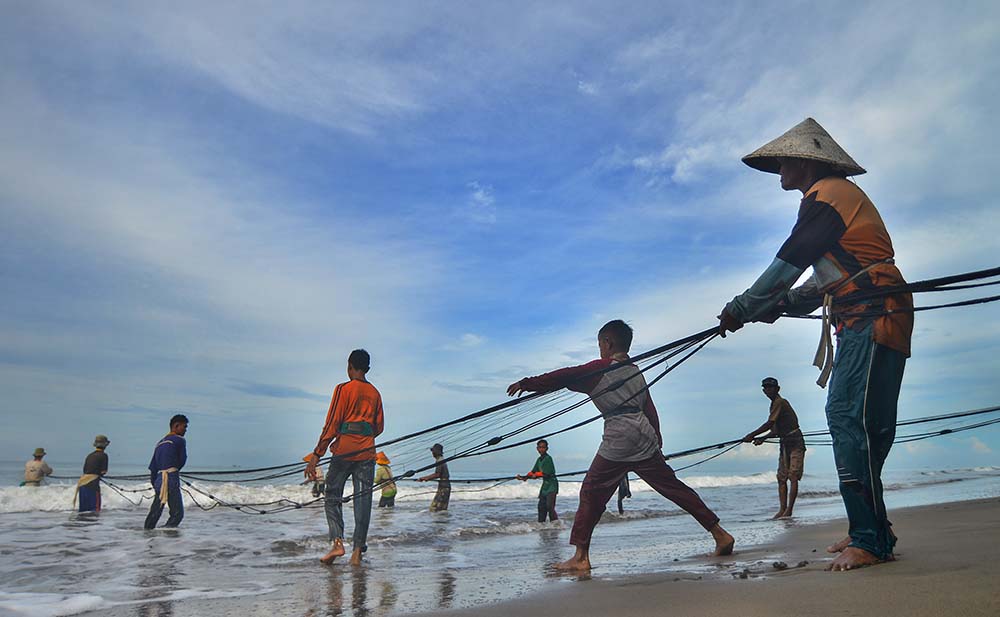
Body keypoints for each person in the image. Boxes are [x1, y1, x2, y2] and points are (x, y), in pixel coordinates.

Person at [718, 118, 913, 571]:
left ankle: (867, 537)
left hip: (871, 314)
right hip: (877, 310)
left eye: (784, 160)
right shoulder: (834, 199)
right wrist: (782, 302)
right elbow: (821, 280)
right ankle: (872, 528)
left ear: (805, 162)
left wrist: (743, 307)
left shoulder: (827, 194)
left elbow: (790, 259)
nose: (780, 168)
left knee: (846, 415)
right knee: (870, 425)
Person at [507, 319, 734, 571]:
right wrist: (656, 438)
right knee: (673, 487)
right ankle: (720, 534)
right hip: (644, 435)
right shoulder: (636, 371)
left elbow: (564, 375)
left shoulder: (600, 369)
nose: (599, 350)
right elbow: (650, 408)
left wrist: (527, 383)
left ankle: (581, 557)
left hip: (619, 436)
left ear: (607, 342)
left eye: (600, 344)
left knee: (592, 491)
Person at [304, 349, 385, 566]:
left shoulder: (343, 389)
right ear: (367, 368)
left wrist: (316, 455)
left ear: (350, 366)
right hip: (367, 452)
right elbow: (379, 427)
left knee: (332, 494)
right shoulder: (375, 393)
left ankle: (338, 543)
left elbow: (331, 423)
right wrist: (363, 436)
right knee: (363, 501)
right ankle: (357, 552)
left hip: (343, 451)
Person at [743, 378, 806, 519]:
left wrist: (751, 435)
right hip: (784, 442)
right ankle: (782, 509)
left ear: (777, 389)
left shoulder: (780, 402)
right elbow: (775, 430)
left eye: (770, 387)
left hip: (795, 441)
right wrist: (763, 438)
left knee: (793, 476)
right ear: (763, 390)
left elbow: (769, 423)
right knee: (781, 477)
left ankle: (789, 510)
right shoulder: (773, 405)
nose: (768, 390)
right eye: (765, 388)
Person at [144, 415, 189, 529]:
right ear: (176, 425)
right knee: (177, 514)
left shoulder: (160, 443)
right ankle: (167, 536)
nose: (185, 430)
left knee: (155, 512)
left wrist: (154, 483)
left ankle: (147, 534)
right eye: (184, 427)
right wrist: (174, 471)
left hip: (159, 479)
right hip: (171, 478)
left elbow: (153, 467)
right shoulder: (179, 440)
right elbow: (182, 460)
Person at [517, 439, 558, 522]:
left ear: (547, 448)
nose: (541, 449)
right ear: (537, 449)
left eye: (543, 447)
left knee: (550, 506)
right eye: (540, 447)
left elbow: (546, 473)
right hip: (545, 486)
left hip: (552, 486)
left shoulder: (548, 458)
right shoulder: (539, 460)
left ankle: (555, 524)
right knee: (541, 507)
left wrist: (536, 475)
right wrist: (524, 477)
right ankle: (541, 525)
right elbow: (533, 472)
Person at [76, 435, 111, 512]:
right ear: (105, 445)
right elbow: (103, 471)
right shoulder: (104, 455)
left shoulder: (90, 455)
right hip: (93, 485)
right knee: (95, 510)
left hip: (82, 484)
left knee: (83, 511)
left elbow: (85, 470)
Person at [417, 444, 450, 511]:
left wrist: (425, 478)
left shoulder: (440, 461)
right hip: (444, 485)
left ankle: (439, 521)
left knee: (435, 508)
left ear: (436, 452)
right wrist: (426, 478)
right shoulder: (440, 460)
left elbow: (437, 474)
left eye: (433, 451)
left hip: (444, 486)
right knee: (441, 508)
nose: (432, 453)